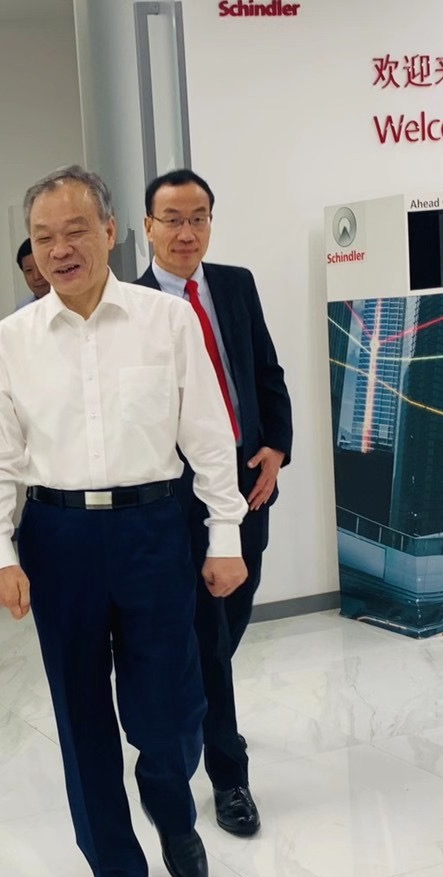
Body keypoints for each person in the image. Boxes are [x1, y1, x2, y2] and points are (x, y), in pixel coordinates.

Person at [0, 166, 248, 877]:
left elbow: (209, 439)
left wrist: (225, 535)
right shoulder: (11, 342)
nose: (60, 249)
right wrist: (0, 552)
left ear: (110, 231)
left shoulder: (167, 321)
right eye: (43, 238)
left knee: (172, 713)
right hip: (58, 538)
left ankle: (171, 806)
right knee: (81, 715)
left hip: (155, 528)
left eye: (74, 231)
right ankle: (116, 875)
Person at [135, 168, 293, 838]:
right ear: (147, 227)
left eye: (197, 217)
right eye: (172, 219)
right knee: (206, 630)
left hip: (248, 482)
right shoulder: (133, 305)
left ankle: (197, 706)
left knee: (230, 617)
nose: (186, 232)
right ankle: (230, 776)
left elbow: (265, 372)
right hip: (180, 494)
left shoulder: (234, 285)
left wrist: (276, 448)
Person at [14, 238, 51, 309]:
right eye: (29, 270)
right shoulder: (23, 309)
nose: (36, 276)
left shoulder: (72, 304)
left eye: (40, 267)